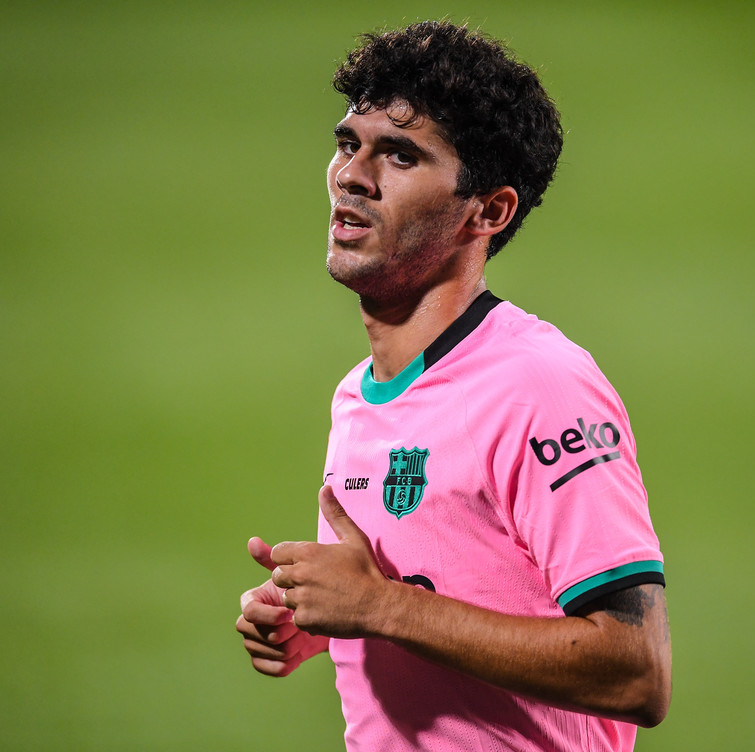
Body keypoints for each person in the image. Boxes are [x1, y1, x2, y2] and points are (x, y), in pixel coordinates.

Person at [236, 20, 671, 752]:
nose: (352, 176)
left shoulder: (538, 385)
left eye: (401, 155)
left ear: (489, 211)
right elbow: (443, 595)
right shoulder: (362, 393)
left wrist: (381, 609)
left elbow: (636, 670)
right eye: (349, 144)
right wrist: (324, 619)